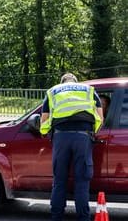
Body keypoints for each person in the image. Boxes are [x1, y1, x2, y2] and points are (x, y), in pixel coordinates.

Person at [40, 73, 103, 221]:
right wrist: (92, 134)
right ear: (76, 82)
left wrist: (47, 133)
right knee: (82, 180)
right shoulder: (88, 90)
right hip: (83, 137)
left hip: (61, 137)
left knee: (59, 180)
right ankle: (83, 218)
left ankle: (56, 217)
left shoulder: (53, 91)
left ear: (62, 82)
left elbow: (44, 121)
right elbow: (99, 117)